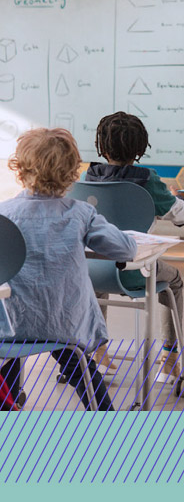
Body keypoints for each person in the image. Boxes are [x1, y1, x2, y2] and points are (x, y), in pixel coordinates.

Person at [0, 128, 136, 411]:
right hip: (65, 326)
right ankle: (107, 417)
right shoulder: (81, 213)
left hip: (12, 326)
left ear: (20, 170)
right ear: (73, 172)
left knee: (7, 355)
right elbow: (125, 250)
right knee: (78, 366)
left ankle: (3, 407)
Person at [82, 111, 184, 380]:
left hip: (93, 270)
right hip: (136, 271)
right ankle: (170, 358)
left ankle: (97, 353)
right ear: (140, 148)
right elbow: (179, 215)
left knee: (97, 274)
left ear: (101, 146)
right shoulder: (147, 180)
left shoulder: (87, 178)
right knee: (175, 281)